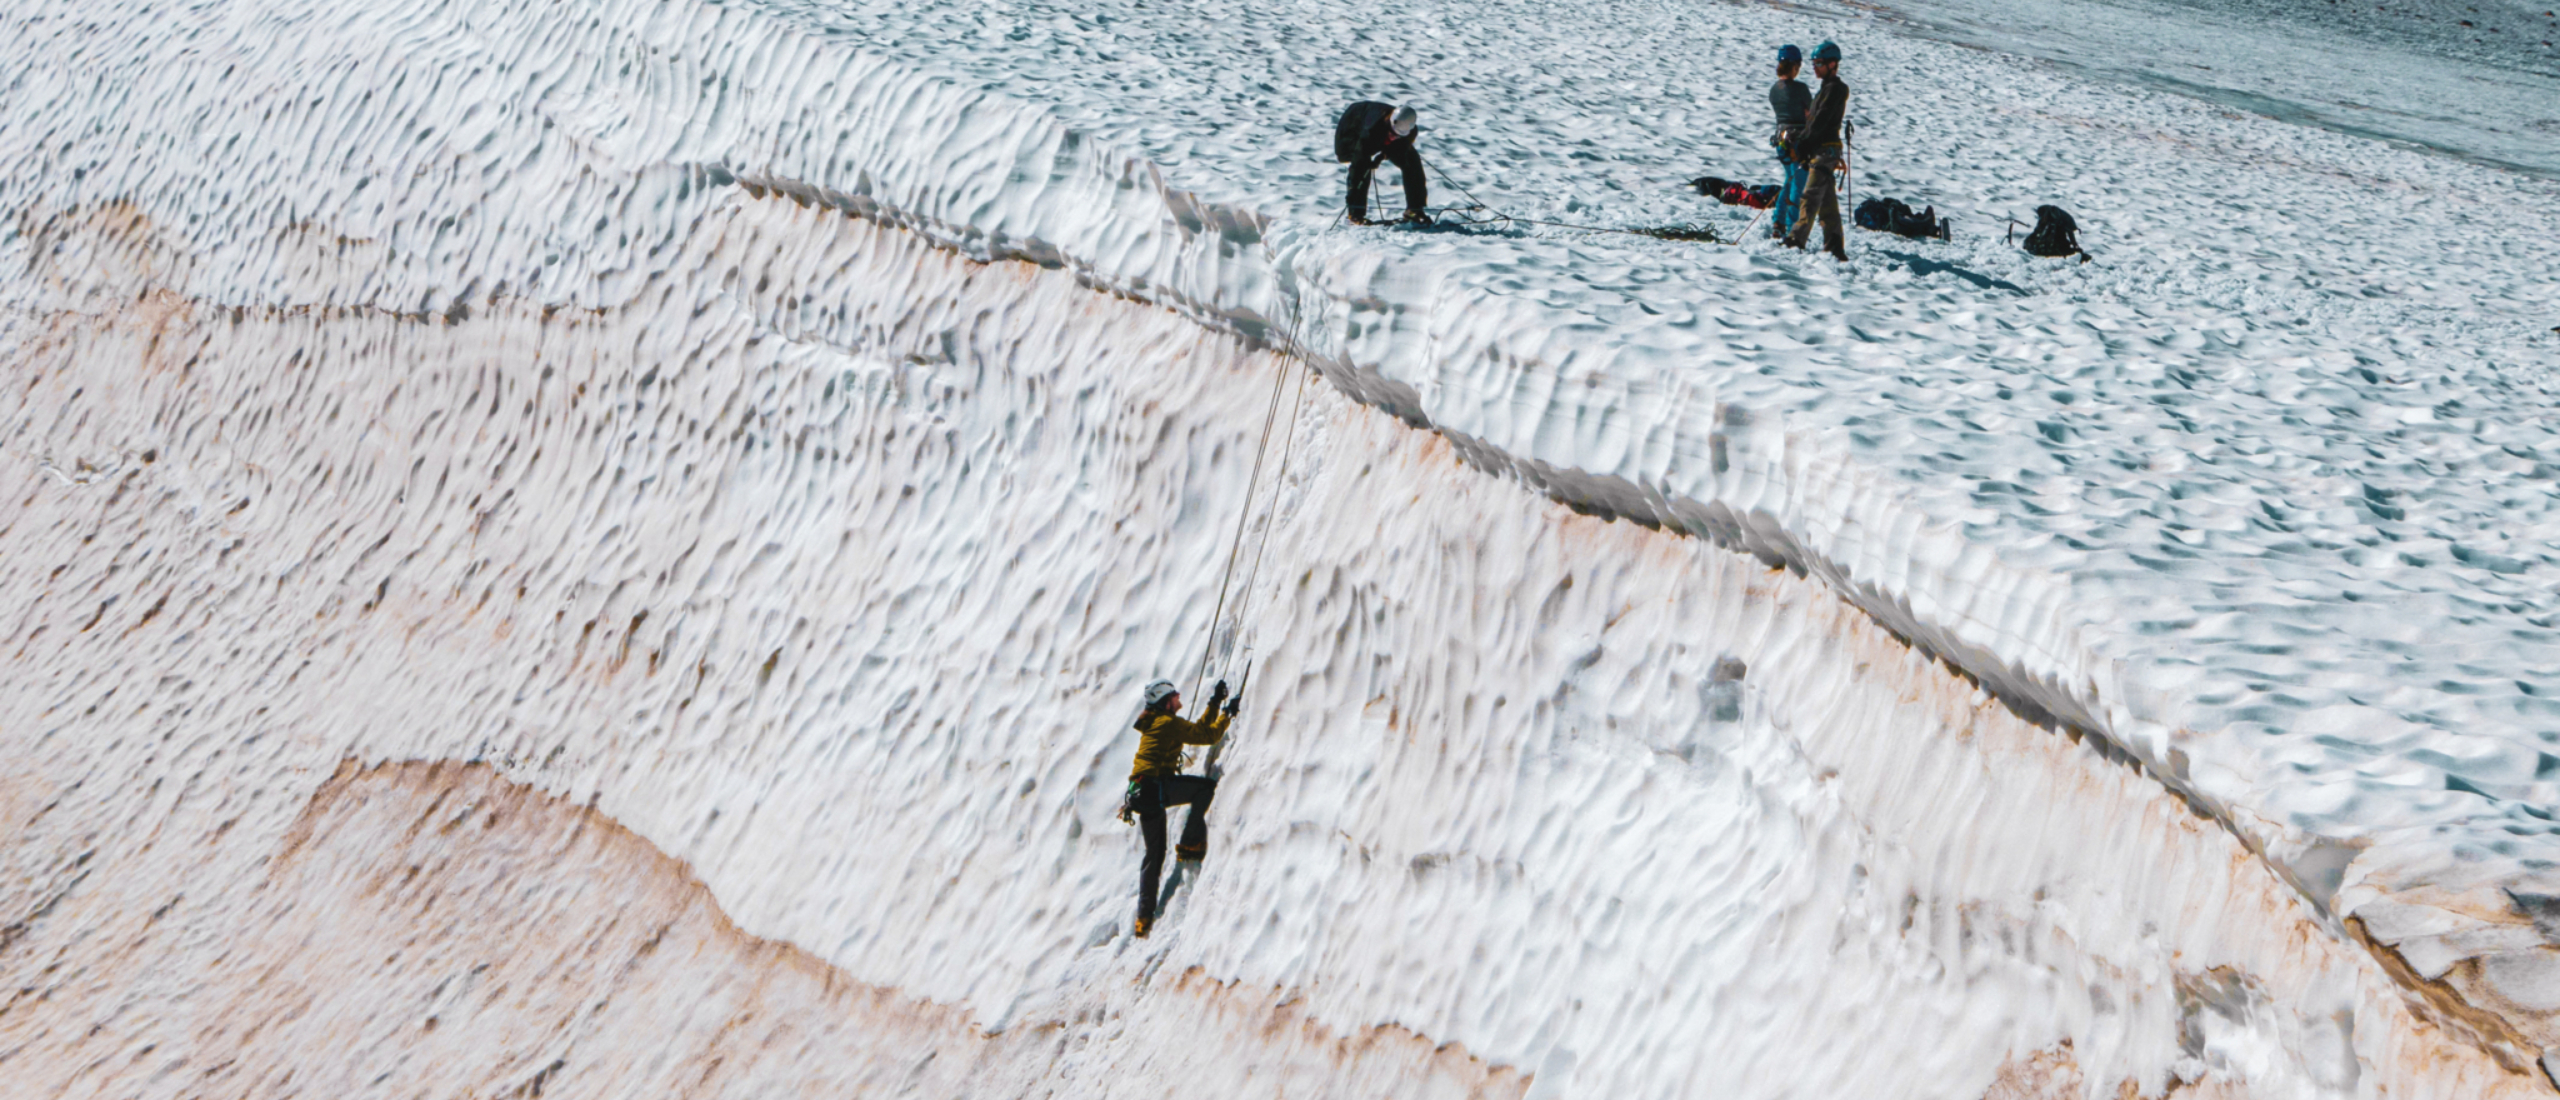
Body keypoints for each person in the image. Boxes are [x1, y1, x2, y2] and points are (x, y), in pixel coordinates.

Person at [1120, 678, 1237, 937]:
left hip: (1140, 792)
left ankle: (1144, 916)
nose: (1179, 695)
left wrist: (1216, 703)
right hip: (1156, 786)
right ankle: (1190, 843)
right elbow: (1207, 735)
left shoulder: (1157, 723)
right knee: (1205, 789)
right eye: (1174, 694)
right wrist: (1227, 714)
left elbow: (1197, 730)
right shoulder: (1167, 723)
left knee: (1154, 855)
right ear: (1166, 701)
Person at [1784, 41, 1851, 262]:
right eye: (1814, 63)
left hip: (1826, 150)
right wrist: (1802, 139)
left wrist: (1804, 143)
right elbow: (1813, 122)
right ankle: (1834, 248)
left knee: (1810, 195)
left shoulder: (1836, 89)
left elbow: (1820, 122)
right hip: (1819, 149)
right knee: (1826, 203)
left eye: (1819, 63)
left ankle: (1796, 239)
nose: (1815, 67)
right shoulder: (1824, 88)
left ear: (1833, 64)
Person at [1334, 102, 1429, 225]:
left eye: (1397, 136)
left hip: (1378, 133)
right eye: (1392, 133)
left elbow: (1401, 147)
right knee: (1363, 165)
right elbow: (1359, 161)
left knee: (1411, 160)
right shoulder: (1372, 128)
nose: (1393, 138)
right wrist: (1372, 161)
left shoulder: (1408, 130)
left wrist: (1384, 155)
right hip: (1352, 127)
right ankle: (1355, 213)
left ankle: (1415, 210)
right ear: (1389, 123)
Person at [1768, 45, 1812, 240]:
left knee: (1790, 179)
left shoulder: (1774, 90)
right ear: (1794, 65)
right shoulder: (1800, 89)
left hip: (1781, 140)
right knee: (1798, 184)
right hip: (1798, 142)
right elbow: (1810, 114)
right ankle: (1792, 226)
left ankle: (1778, 221)